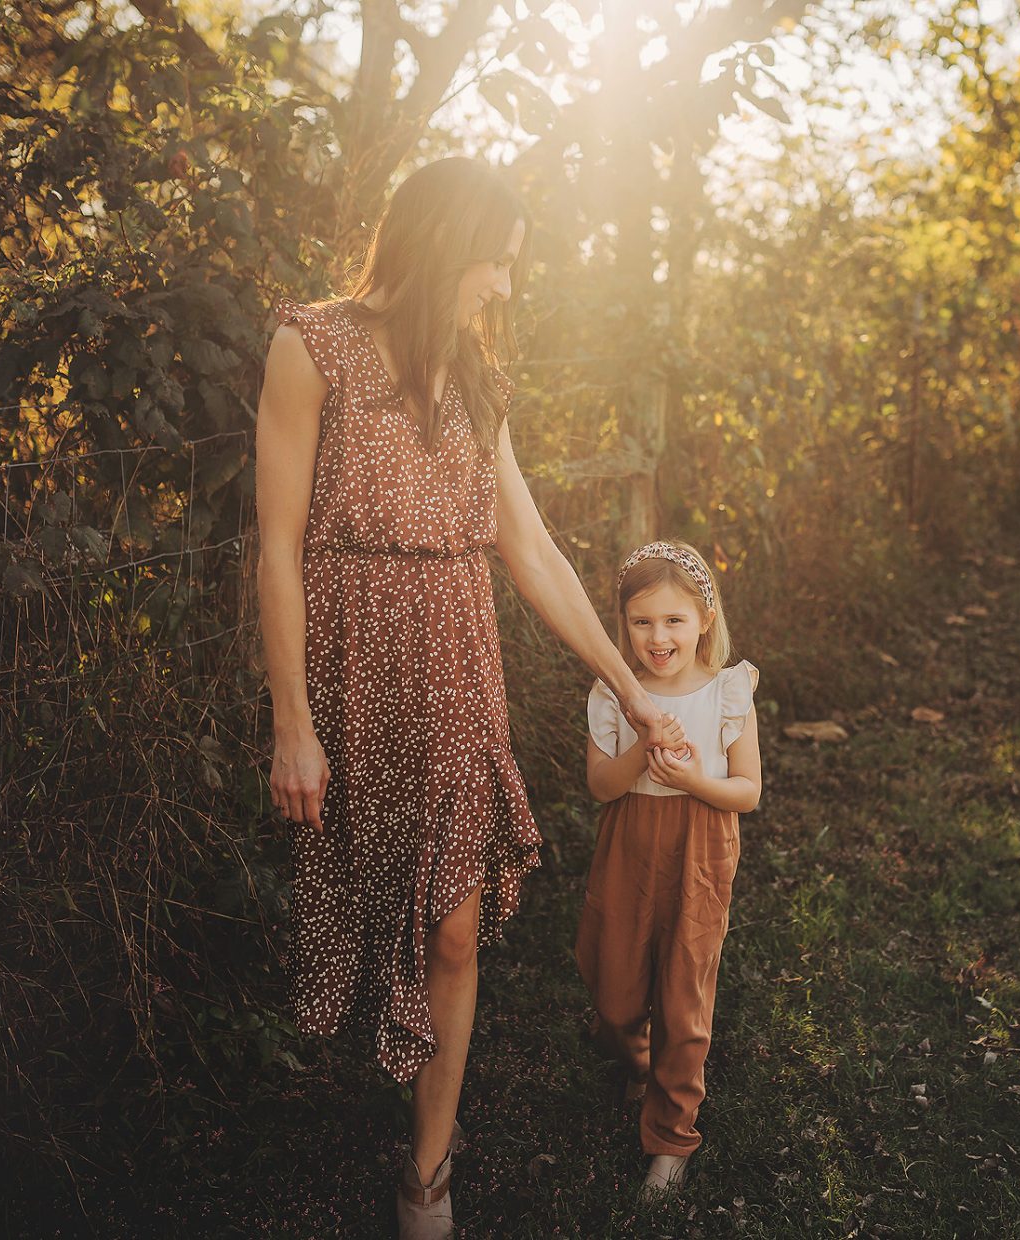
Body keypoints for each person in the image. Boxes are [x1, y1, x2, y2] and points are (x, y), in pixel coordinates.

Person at [253, 156, 681, 1239]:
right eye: (495, 262)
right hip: (352, 665)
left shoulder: (476, 378)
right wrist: (293, 723)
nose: (502, 286)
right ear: (447, 244)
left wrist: (626, 683)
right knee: (368, 891)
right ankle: (379, 1086)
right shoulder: (312, 346)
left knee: (452, 928)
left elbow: (526, 544)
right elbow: (276, 546)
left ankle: (427, 1175)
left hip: (456, 665)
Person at [577, 539, 762, 1195]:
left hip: (701, 845)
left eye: (674, 620)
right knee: (615, 986)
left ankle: (672, 1135)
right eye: (642, 622)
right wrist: (644, 743)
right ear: (622, 625)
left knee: (684, 997)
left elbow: (748, 790)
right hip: (630, 843)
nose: (658, 637)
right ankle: (635, 1058)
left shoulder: (727, 690)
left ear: (704, 620)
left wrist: (692, 780)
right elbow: (602, 785)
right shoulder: (613, 692)